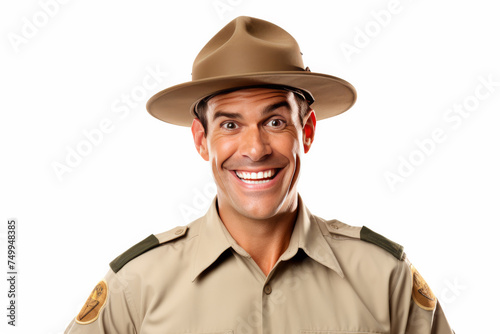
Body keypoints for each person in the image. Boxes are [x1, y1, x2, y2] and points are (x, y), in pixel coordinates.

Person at [64, 16, 454, 333]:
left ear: (308, 131)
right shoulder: (137, 285)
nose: (254, 149)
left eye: (274, 121)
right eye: (230, 126)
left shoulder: (386, 277)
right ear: (202, 139)